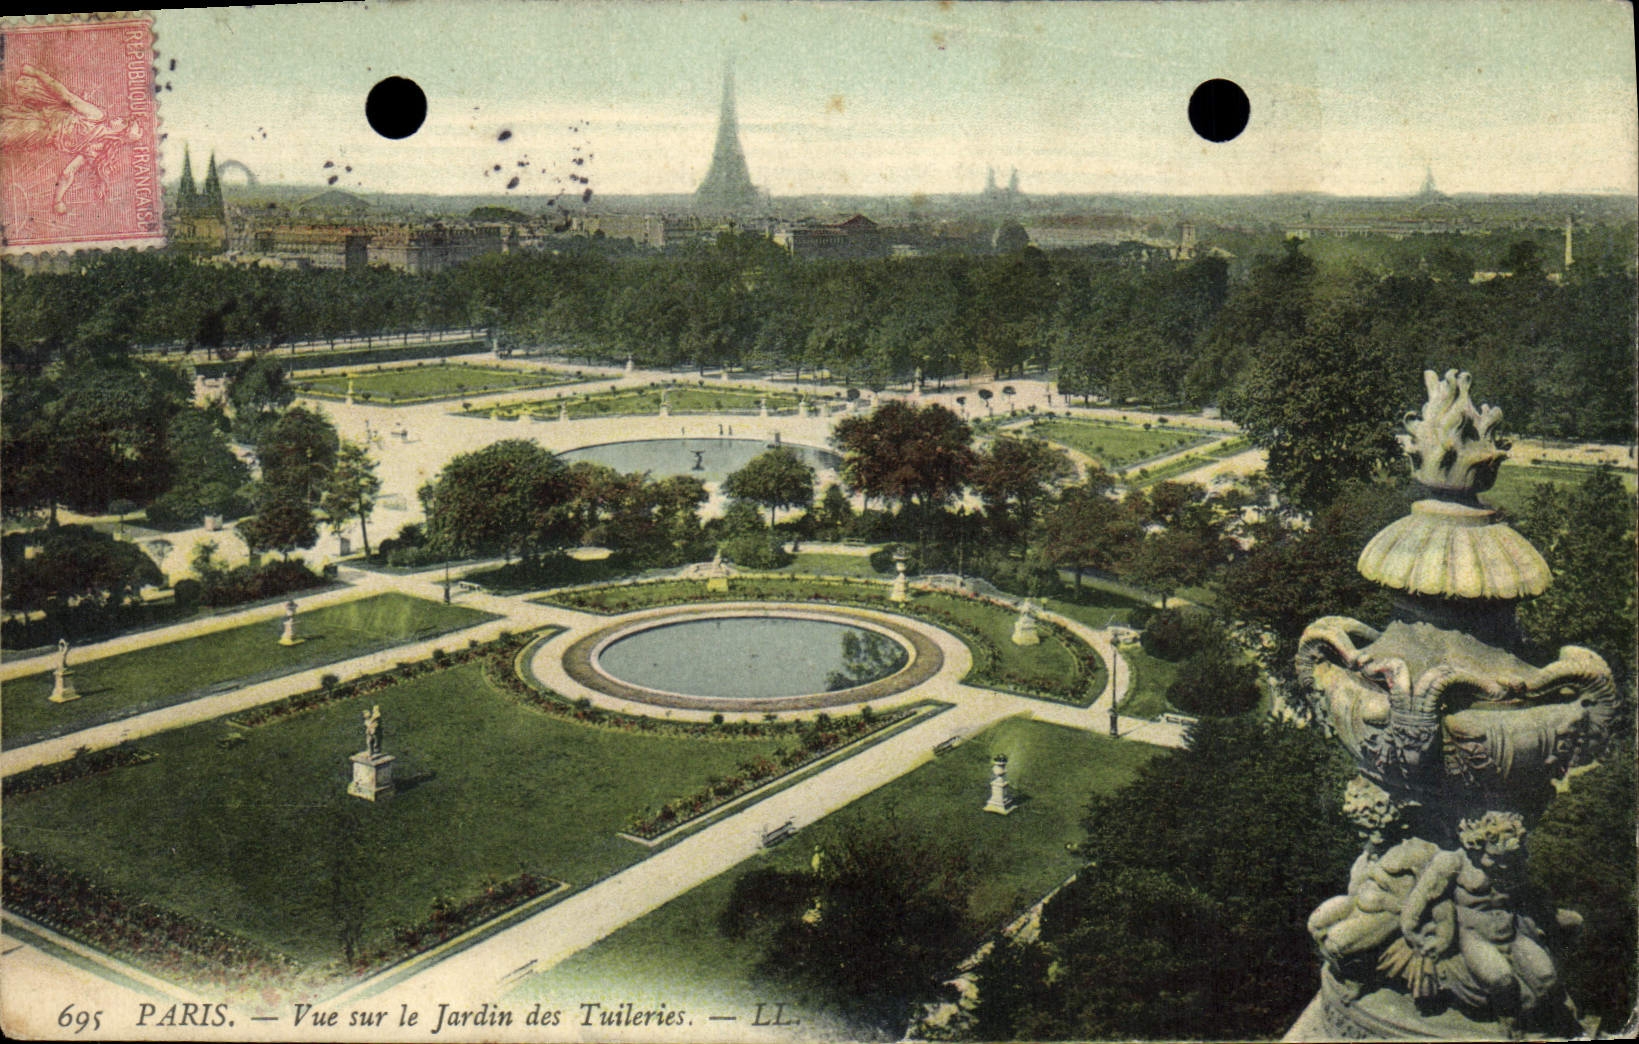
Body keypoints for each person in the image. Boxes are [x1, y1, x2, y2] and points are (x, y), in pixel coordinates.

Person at [2, 64, 145, 214]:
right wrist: (37, 74)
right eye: (124, 119)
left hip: (37, 131)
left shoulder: (94, 144)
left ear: (121, 134)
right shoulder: (97, 121)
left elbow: (67, 173)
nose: (120, 118)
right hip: (37, 121)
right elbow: (67, 97)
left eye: (124, 123)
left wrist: (58, 200)